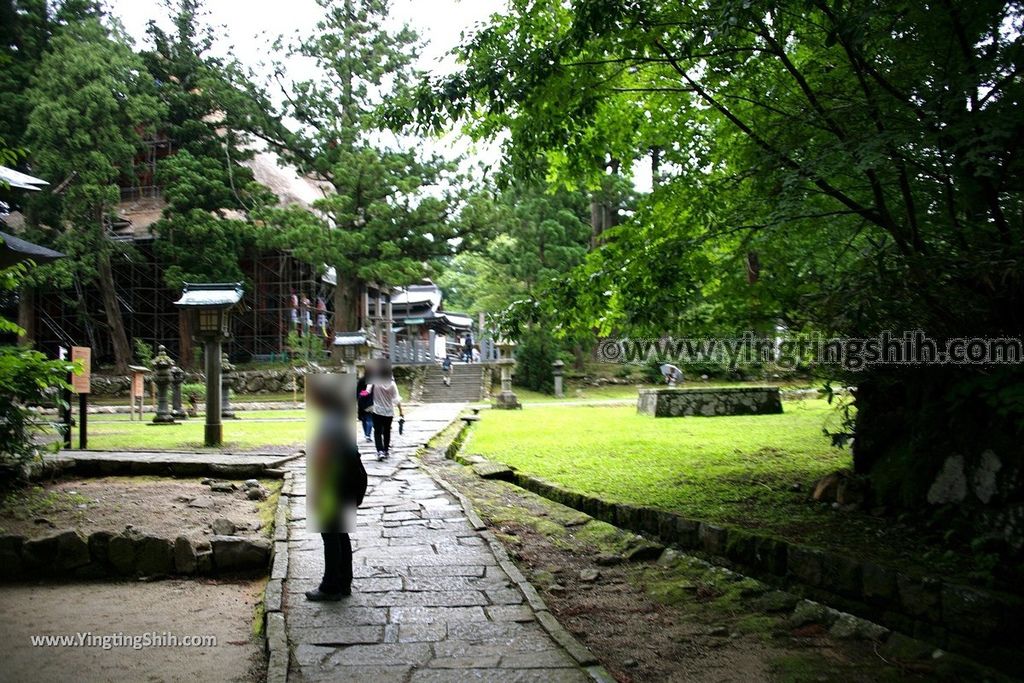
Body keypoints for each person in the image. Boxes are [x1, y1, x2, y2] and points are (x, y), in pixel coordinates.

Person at [305, 378, 367, 601]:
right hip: (346, 483)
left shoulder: (328, 423)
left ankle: (330, 586)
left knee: (330, 534)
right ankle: (344, 582)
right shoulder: (340, 420)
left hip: (333, 485)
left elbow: (323, 457)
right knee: (340, 533)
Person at [370, 360, 403, 461]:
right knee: (387, 431)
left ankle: (380, 451)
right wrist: (401, 411)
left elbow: (367, 392)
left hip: (377, 411)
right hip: (389, 412)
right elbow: (396, 399)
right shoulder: (392, 384)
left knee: (377, 432)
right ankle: (386, 450)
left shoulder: (375, 382)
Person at [356, 366, 374, 442]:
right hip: (370, 401)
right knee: (370, 418)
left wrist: (359, 397)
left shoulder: (361, 380)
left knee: (363, 419)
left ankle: (366, 434)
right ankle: (368, 435)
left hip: (361, 401)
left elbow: (357, 392)